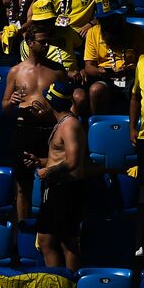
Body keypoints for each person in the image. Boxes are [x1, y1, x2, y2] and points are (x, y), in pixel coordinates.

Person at [3, 25, 64, 222]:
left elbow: (67, 106)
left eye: (48, 41)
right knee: (23, 185)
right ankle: (24, 230)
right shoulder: (16, 71)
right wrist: (11, 102)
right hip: (24, 130)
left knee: (53, 181)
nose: (46, 45)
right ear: (29, 43)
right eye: (42, 42)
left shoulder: (56, 70)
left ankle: (50, 228)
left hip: (49, 130)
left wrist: (51, 112)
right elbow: (4, 106)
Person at [27, 81, 87, 270]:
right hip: (54, 189)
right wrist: (40, 161)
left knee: (67, 241)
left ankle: (69, 287)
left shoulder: (70, 125)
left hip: (66, 189)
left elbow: (72, 161)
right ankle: (56, 284)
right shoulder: (61, 123)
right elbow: (58, 157)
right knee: (45, 239)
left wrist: (49, 170)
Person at [84, 0, 144, 114]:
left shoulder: (136, 32)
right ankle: (99, 125)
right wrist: (101, 72)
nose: (110, 23)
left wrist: (131, 69)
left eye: (113, 18)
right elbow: (89, 66)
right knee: (96, 89)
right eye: (106, 20)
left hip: (131, 76)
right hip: (105, 77)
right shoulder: (93, 32)